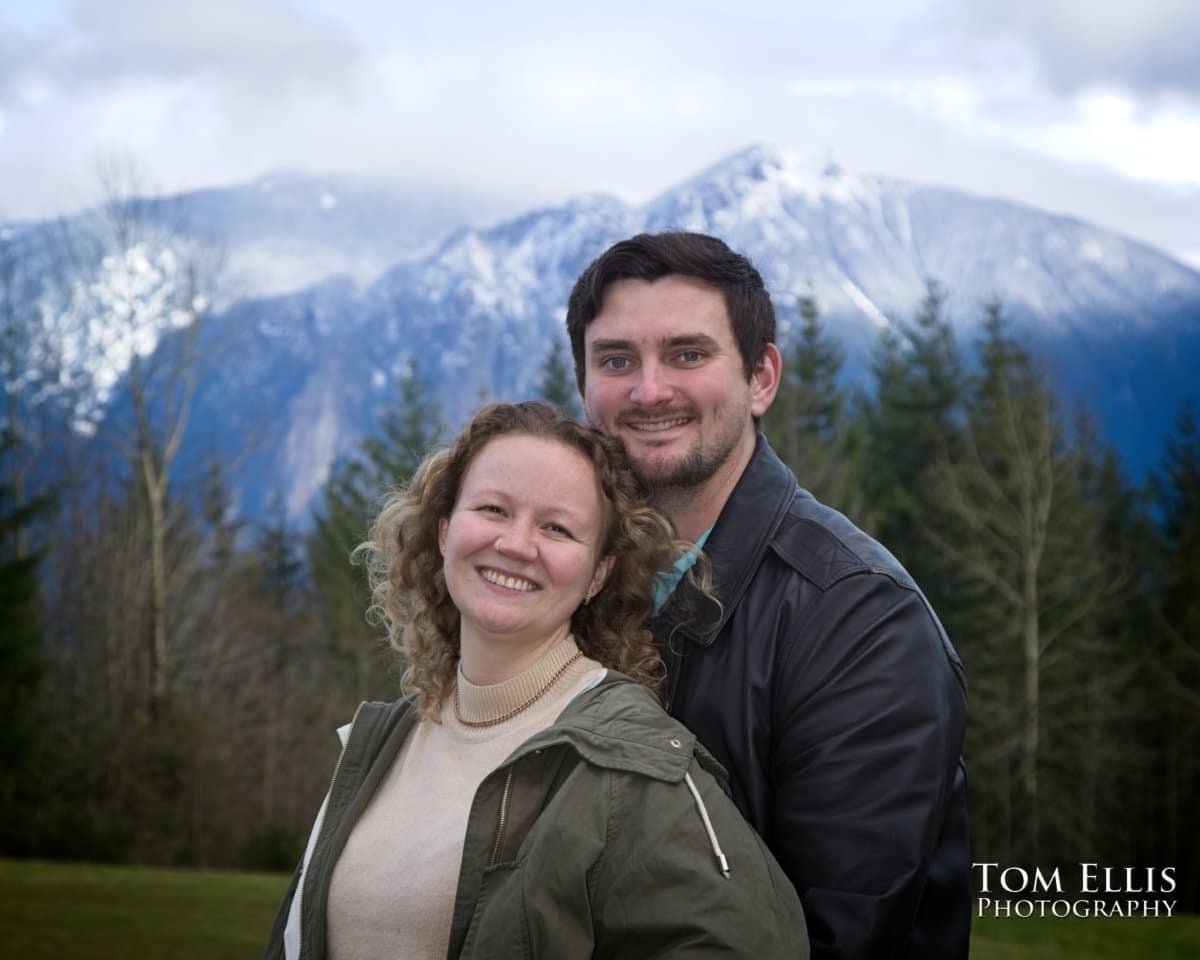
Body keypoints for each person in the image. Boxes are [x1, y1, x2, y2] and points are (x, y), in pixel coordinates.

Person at [263, 401, 809, 960]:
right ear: (446, 529)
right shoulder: (383, 741)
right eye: (494, 509)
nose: (517, 545)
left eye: (557, 527)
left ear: (598, 573)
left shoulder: (631, 765)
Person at [566, 232, 971, 959]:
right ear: (583, 383)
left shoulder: (861, 621)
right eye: (616, 360)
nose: (649, 389)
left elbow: (842, 937)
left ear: (762, 378)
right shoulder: (563, 580)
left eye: (688, 354)